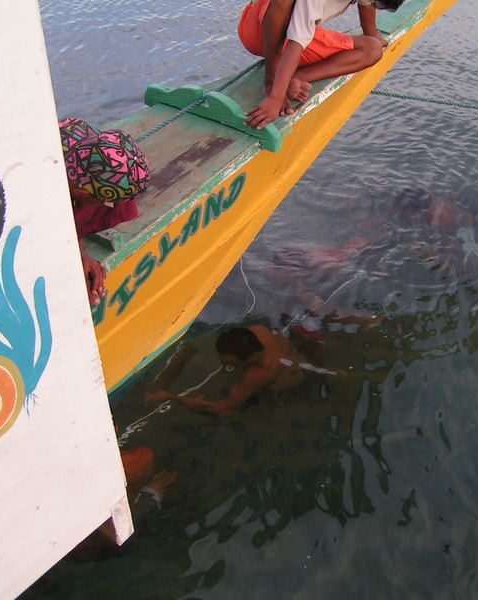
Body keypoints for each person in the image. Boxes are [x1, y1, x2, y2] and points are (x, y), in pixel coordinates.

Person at [238, 0, 404, 129]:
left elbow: (366, 4)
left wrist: (372, 34)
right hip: (261, 31)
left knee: (372, 49)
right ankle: (274, 78)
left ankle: (295, 78)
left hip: (281, 40)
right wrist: (275, 96)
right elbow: (297, 41)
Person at [59, 117, 150, 306]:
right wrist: (76, 255)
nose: (107, 205)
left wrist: (81, 254)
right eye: (102, 199)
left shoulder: (94, 152)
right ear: (80, 191)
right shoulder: (43, 181)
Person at [148, 325, 309, 417]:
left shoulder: (256, 375)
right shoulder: (257, 332)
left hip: (285, 379)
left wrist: (174, 398)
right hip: (293, 357)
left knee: (226, 414)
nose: (222, 363)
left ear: (251, 358)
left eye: (229, 362)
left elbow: (219, 407)